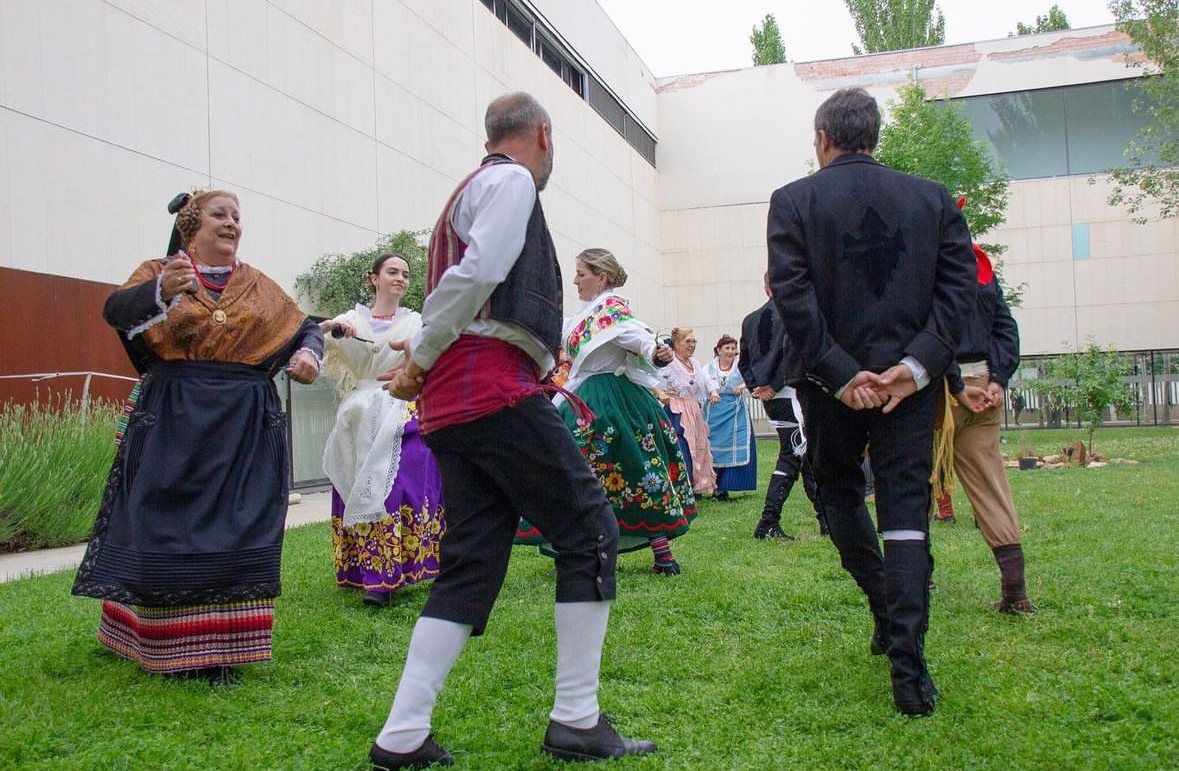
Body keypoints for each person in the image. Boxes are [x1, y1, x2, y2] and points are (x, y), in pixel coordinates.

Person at [369, 92, 656, 768]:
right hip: (487, 387)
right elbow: (480, 272)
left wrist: (425, 362)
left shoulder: (476, 187)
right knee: (589, 530)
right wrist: (423, 354)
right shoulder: (509, 179)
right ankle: (576, 719)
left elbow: (473, 278)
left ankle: (402, 735)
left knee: (470, 561)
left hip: (458, 402)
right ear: (543, 137)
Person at [768, 88, 976, 717]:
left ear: (822, 139)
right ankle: (910, 673)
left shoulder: (794, 201)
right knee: (906, 514)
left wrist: (842, 372)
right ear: (875, 137)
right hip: (908, 388)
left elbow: (792, 294)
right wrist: (914, 367)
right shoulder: (933, 198)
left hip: (835, 386)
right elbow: (958, 288)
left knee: (835, 490)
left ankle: (887, 611)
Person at [72, 189, 324, 684]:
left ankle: (224, 648)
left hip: (243, 423)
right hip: (175, 417)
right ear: (192, 226)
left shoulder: (257, 285)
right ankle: (165, 646)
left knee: (241, 520)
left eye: (236, 216)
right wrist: (162, 290)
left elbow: (304, 329)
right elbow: (116, 311)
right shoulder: (158, 271)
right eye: (219, 215)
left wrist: (311, 356)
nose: (231, 223)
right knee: (167, 518)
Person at [516, 249, 696, 576]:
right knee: (610, 470)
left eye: (581, 273)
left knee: (632, 469)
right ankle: (576, 549)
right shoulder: (583, 316)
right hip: (585, 397)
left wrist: (658, 352)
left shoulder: (613, 312)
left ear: (602, 276)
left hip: (611, 401)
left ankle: (658, 553)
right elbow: (550, 336)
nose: (575, 280)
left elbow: (638, 339)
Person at [319, 253, 445, 608]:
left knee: (398, 486)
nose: (400, 278)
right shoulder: (351, 319)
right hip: (357, 414)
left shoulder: (418, 323)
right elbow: (320, 334)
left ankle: (388, 577)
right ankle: (364, 572)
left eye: (405, 274)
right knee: (355, 483)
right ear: (373, 278)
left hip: (400, 408)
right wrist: (333, 331)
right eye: (392, 272)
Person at [942, 241, 1038, 615]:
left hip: (944, 390)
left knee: (914, 481)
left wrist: (955, 384)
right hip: (983, 382)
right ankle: (1015, 592)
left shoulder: (930, 266)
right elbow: (1005, 328)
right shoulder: (981, 269)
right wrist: (997, 379)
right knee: (991, 485)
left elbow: (934, 332)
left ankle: (916, 580)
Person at [739, 276, 824, 540]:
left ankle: (826, 519)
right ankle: (768, 521)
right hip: (789, 393)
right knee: (794, 452)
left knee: (805, 454)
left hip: (773, 397)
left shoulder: (750, 320)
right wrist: (773, 385)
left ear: (765, 288)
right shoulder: (793, 315)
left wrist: (757, 387)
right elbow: (794, 353)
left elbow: (744, 361)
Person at [658, 328, 719, 497]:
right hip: (676, 409)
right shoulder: (668, 364)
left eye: (694, 342)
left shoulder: (695, 363)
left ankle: (698, 484)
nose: (692, 345)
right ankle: (682, 486)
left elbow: (707, 379)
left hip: (694, 410)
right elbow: (653, 380)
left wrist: (713, 391)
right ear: (676, 344)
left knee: (699, 446)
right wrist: (660, 393)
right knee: (683, 446)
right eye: (688, 342)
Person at [704, 335, 758, 502]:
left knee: (736, 444)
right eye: (727, 348)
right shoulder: (709, 367)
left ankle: (726, 486)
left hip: (735, 412)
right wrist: (712, 391)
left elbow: (753, 380)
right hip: (714, 411)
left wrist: (742, 386)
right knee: (713, 446)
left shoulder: (741, 366)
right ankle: (712, 484)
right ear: (719, 350)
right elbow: (703, 381)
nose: (731, 352)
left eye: (733, 348)